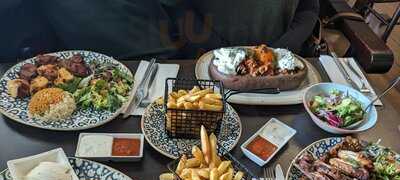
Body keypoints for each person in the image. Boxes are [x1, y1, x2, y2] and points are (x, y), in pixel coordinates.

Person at [0, 0, 319, 62]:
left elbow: (310, 8)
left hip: (287, 63)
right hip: (206, 59)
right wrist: (221, 50)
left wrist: (283, 49)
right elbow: (181, 10)